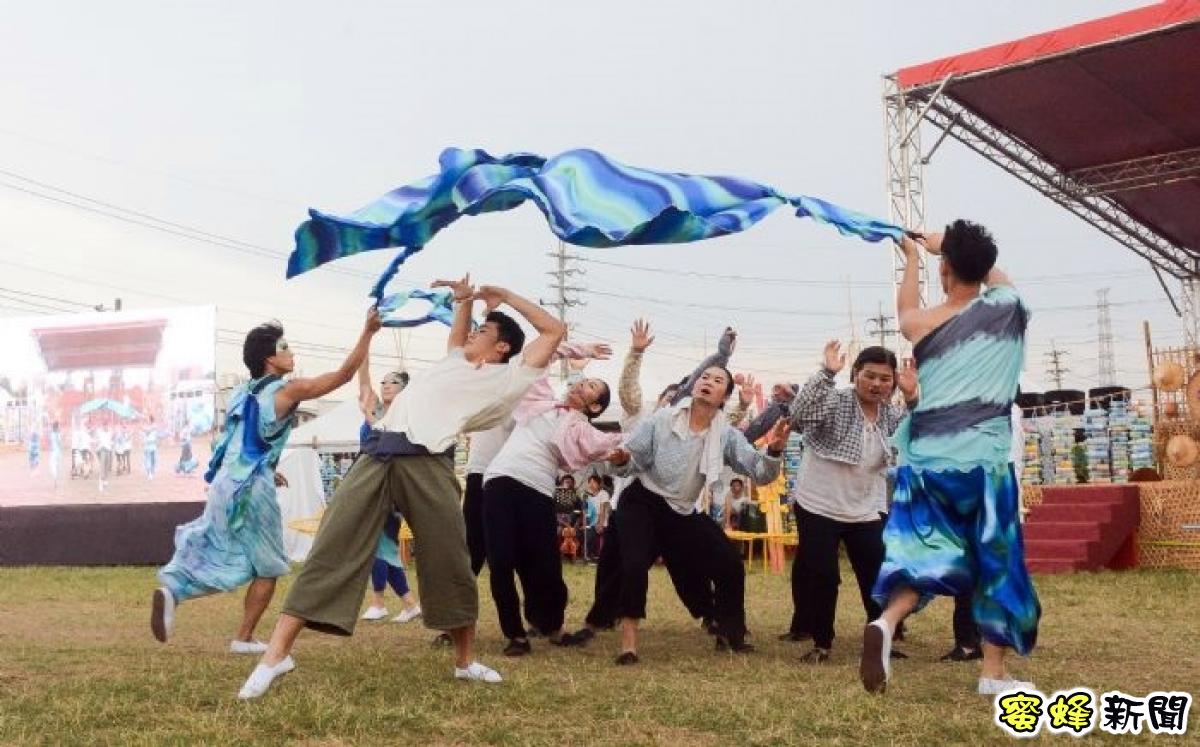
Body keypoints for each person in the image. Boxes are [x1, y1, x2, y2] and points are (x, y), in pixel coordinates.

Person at [238, 277, 563, 699]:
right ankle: (275, 656)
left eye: (483, 331)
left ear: (502, 347)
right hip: (378, 453)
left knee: (450, 560)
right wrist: (464, 301)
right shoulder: (454, 359)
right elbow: (458, 332)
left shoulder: (511, 377)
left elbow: (554, 330)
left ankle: (465, 661)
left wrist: (507, 296)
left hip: (428, 462)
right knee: (331, 544)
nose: (472, 333)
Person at [860, 221, 1040, 696]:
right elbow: (997, 277)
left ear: (945, 271)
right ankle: (993, 673)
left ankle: (886, 621)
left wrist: (913, 257)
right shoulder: (1008, 308)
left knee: (921, 553)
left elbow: (904, 310)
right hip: (985, 463)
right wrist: (949, 247)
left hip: (927, 460)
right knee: (995, 561)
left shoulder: (922, 324)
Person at [151, 309, 381, 655]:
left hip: (225, 484)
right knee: (269, 565)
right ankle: (241, 637)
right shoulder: (288, 390)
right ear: (269, 359)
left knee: (225, 553)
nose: (292, 353)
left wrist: (268, 468)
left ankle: (173, 591)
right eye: (285, 348)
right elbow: (343, 375)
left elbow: (239, 442)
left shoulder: (241, 393)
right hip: (251, 489)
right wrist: (368, 331)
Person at [605, 365, 789, 664]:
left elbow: (758, 470)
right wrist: (622, 458)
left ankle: (730, 634)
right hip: (643, 501)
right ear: (695, 385)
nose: (708, 382)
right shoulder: (664, 419)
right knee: (635, 563)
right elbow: (632, 457)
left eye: (717, 381)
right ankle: (628, 644)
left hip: (683, 510)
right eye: (705, 377)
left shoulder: (726, 434)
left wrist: (775, 451)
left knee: (729, 563)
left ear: (724, 397)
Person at [783, 342, 917, 663]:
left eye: (885, 378)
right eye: (869, 375)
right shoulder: (836, 401)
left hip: (865, 507)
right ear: (855, 374)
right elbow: (799, 414)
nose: (876, 384)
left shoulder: (890, 414)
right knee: (823, 575)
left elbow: (920, 434)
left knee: (877, 574)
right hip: (818, 504)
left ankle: (880, 636)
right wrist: (826, 373)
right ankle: (822, 643)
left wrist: (912, 397)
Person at [482, 373, 620, 655]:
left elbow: (611, 442)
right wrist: (573, 352)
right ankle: (515, 635)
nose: (582, 384)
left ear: (595, 406)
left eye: (592, 386)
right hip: (499, 479)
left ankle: (552, 626)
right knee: (501, 561)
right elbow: (535, 364)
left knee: (545, 565)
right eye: (584, 380)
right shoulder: (541, 400)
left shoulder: (581, 428)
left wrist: (630, 446)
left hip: (539, 489)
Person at [356, 367, 422, 624]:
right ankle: (408, 604)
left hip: (390, 486)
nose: (385, 385)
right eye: (383, 381)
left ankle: (379, 602)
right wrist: (364, 348)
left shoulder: (405, 417)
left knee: (379, 544)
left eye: (393, 382)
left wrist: (369, 416)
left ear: (405, 390)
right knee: (385, 548)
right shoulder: (375, 408)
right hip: (370, 482)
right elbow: (363, 383)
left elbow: (387, 442)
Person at [95, 423, 113, 491]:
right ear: (102, 426)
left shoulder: (109, 432)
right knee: (102, 467)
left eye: (107, 426)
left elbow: (111, 440)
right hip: (102, 450)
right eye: (104, 426)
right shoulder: (99, 432)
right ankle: (101, 483)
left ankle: (105, 480)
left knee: (106, 467)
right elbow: (96, 439)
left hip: (108, 450)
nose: (106, 427)